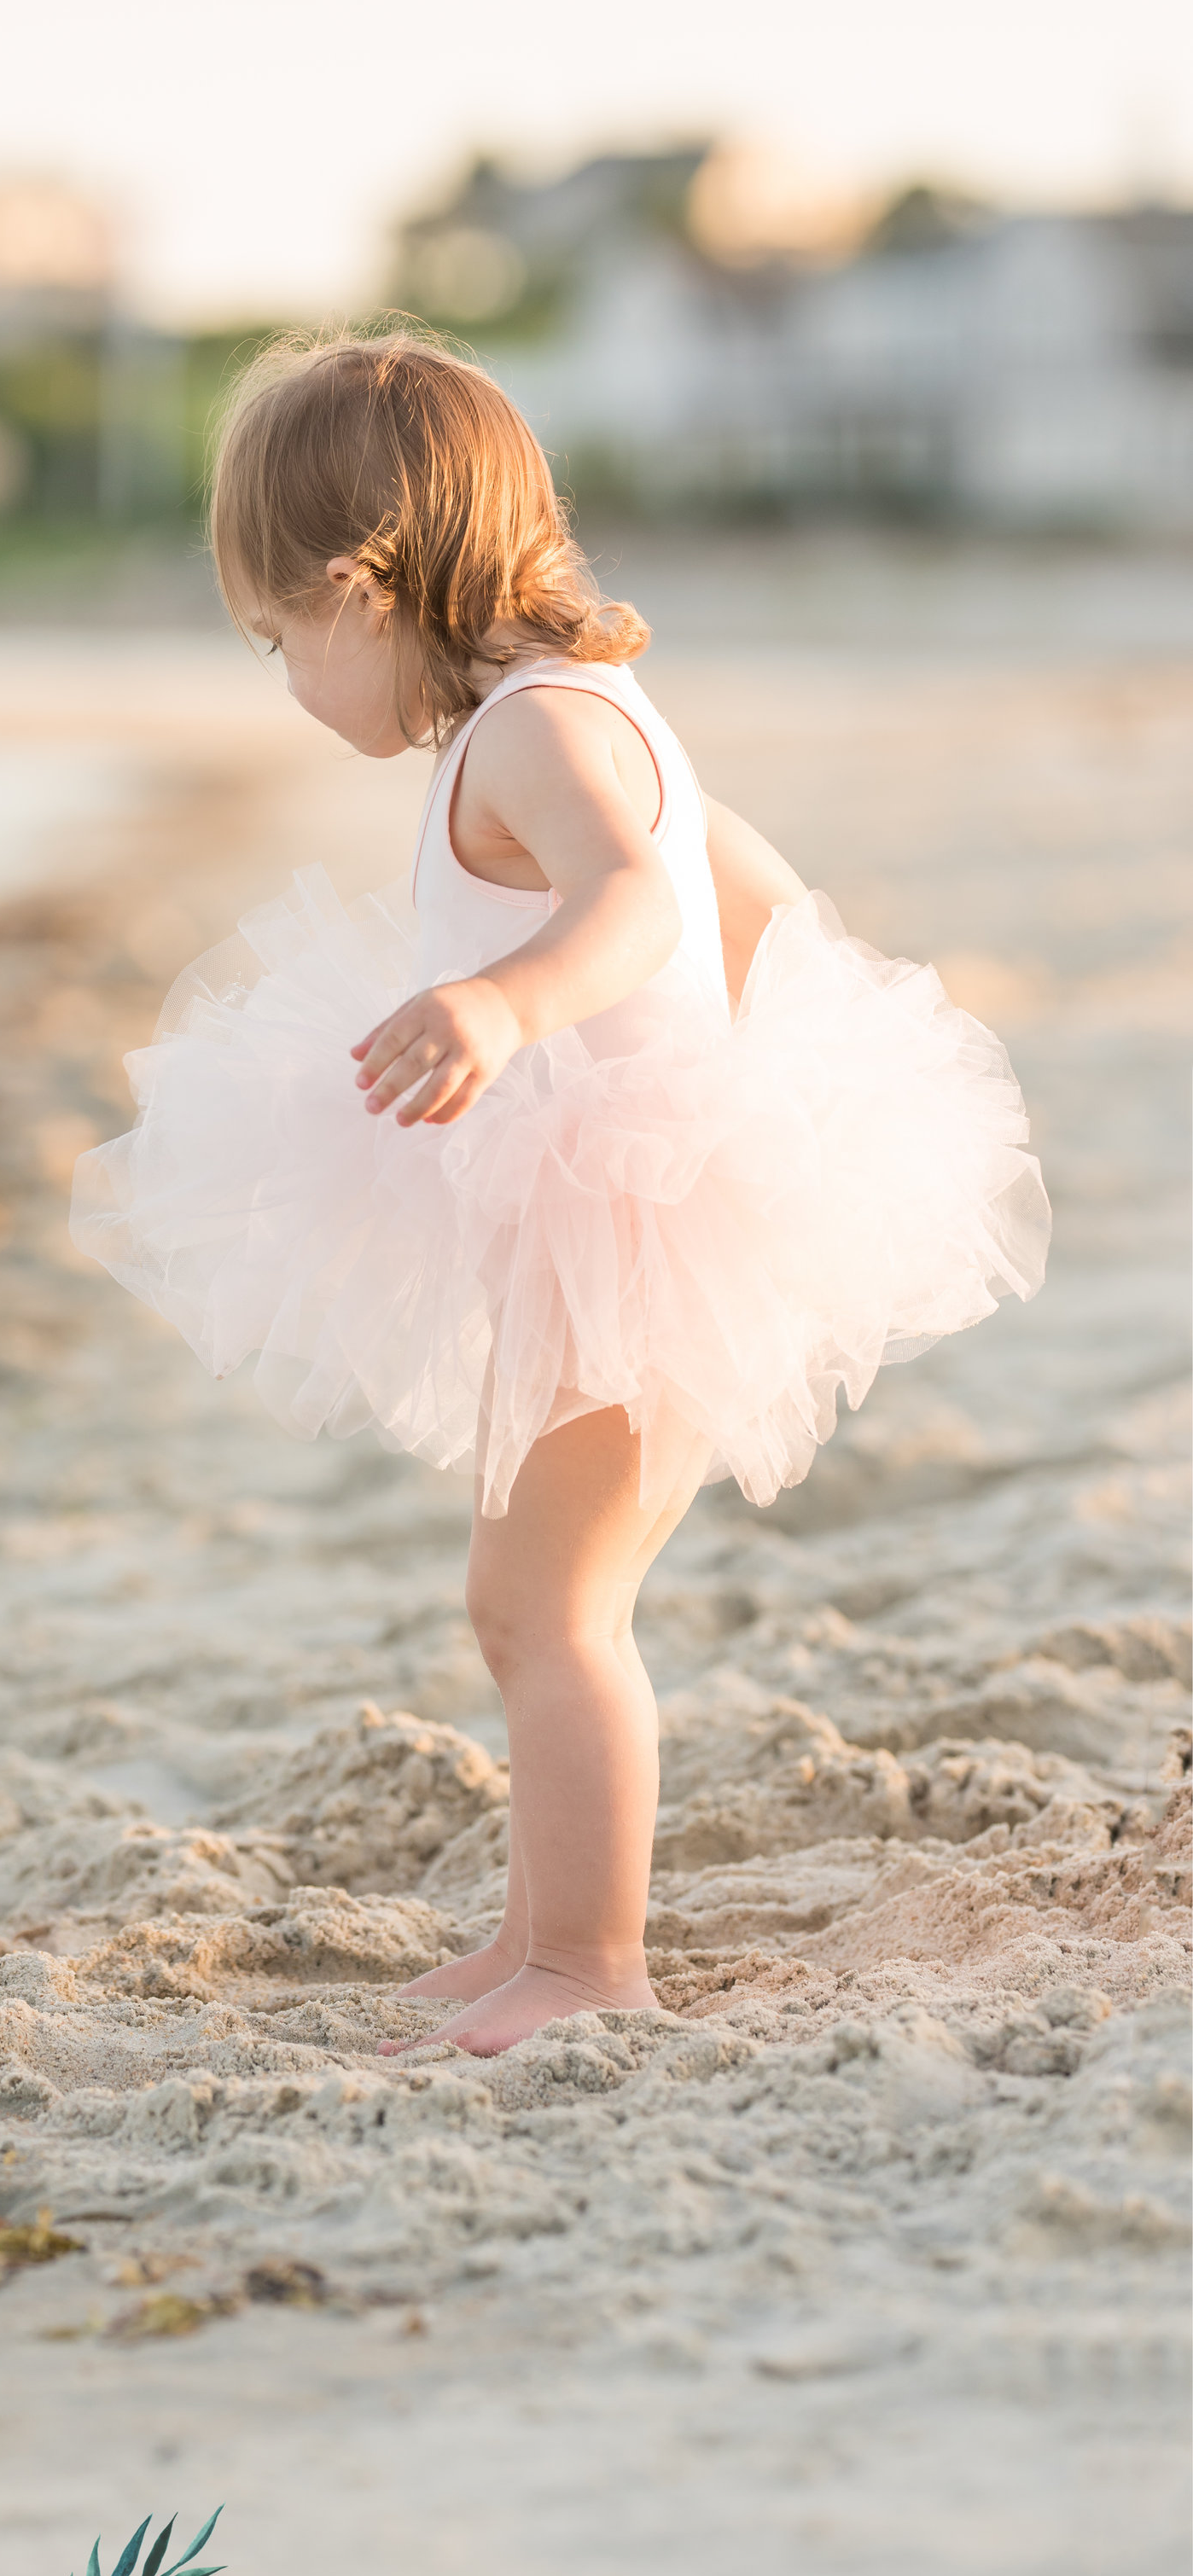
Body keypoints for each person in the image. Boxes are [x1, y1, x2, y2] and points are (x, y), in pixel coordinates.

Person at [71, 331, 1049, 2056]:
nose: (282, 680)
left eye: (274, 637)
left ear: (361, 587)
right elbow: (746, 896)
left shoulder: (524, 736)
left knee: (550, 1609)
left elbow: (634, 906)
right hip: (631, 1214)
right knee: (528, 1598)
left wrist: (506, 1002)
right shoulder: (597, 709)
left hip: (628, 1231)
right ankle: (538, 1928)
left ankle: (587, 1964)